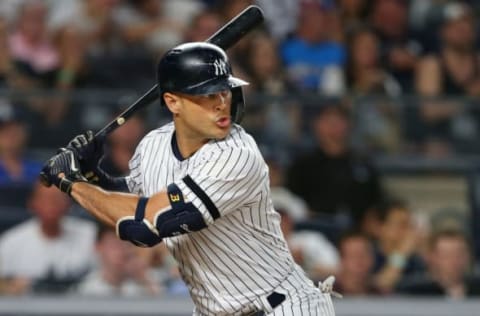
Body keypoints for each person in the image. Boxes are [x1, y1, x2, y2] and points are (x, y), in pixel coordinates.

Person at [40, 42, 337, 315]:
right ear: (172, 102)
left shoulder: (237, 155)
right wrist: (94, 175)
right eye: (208, 95)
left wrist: (71, 182)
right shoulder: (153, 145)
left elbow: (143, 227)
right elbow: (131, 201)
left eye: (225, 91)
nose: (222, 103)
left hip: (280, 306)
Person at [0, 181, 96, 295]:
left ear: (68, 204)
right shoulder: (10, 242)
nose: (51, 204)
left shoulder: (91, 235)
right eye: (45, 199)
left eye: (57, 199)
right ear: (32, 203)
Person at [76, 224, 160, 297]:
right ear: (98, 247)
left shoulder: (147, 279)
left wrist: (143, 280)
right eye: (115, 244)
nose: (123, 250)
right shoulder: (86, 290)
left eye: (128, 244)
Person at [396, 229, 480, 298]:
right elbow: (384, 286)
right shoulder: (414, 291)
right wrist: (401, 254)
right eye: (447, 255)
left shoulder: (477, 289)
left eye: (460, 254)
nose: (454, 261)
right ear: (432, 257)